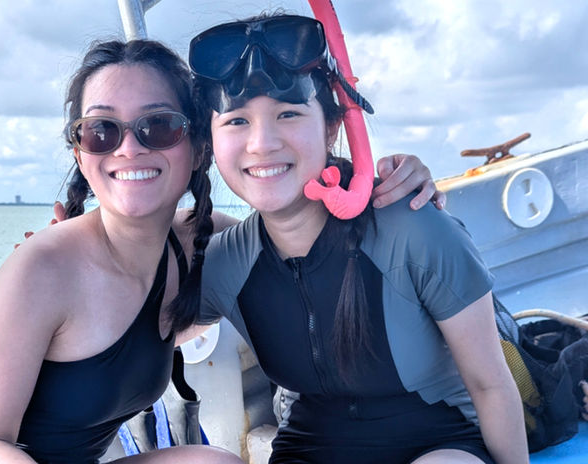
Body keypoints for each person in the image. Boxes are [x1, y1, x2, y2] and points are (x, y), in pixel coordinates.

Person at [0, 38, 441, 464]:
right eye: (101, 131)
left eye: (158, 125)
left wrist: (386, 185)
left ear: (199, 147)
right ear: (80, 149)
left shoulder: (205, 244)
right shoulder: (42, 269)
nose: (129, 148)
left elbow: (307, 229)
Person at [184, 13, 529, 464]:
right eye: (236, 121)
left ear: (331, 128)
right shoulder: (226, 264)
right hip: (310, 449)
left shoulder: (413, 228)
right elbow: (137, 338)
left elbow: (491, 384)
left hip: (438, 443)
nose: (262, 142)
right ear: (209, 142)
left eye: (288, 113)